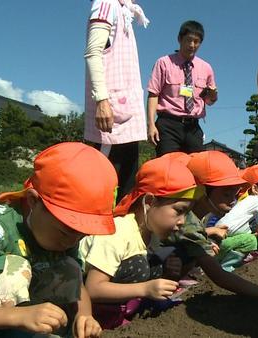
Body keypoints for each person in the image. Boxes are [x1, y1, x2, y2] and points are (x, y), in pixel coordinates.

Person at [0, 142, 118, 338]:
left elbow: (76, 283)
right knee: (15, 272)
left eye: (82, 235)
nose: (73, 241)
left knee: (67, 265)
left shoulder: (64, 234)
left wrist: (84, 316)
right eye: (65, 232)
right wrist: (17, 316)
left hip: (11, 319)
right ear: (33, 200)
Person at [162, 151, 258, 308]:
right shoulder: (188, 222)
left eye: (234, 193)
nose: (232, 200)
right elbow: (219, 276)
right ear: (201, 190)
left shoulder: (193, 217)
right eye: (226, 193)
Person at [80, 155, 203, 329]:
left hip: (121, 302)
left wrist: (168, 271)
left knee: (155, 261)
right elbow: (92, 288)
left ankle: (130, 310)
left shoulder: (152, 233)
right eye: (179, 211)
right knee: (139, 264)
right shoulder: (117, 233)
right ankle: (110, 319)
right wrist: (145, 289)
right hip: (85, 309)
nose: (183, 221)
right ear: (150, 201)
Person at [84, 0, 150, 203]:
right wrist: (102, 100)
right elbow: (93, 53)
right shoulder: (106, 3)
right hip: (112, 116)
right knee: (101, 189)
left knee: (126, 191)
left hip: (126, 114)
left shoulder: (124, 10)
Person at [147, 20, 218, 156]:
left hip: (193, 127)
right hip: (168, 124)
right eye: (188, 40)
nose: (192, 45)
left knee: (195, 169)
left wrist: (213, 95)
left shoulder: (206, 68)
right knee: (168, 168)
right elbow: (153, 94)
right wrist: (151, 124)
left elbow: (209, 101)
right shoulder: (164, 63)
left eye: (196, 41)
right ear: (180, 39)